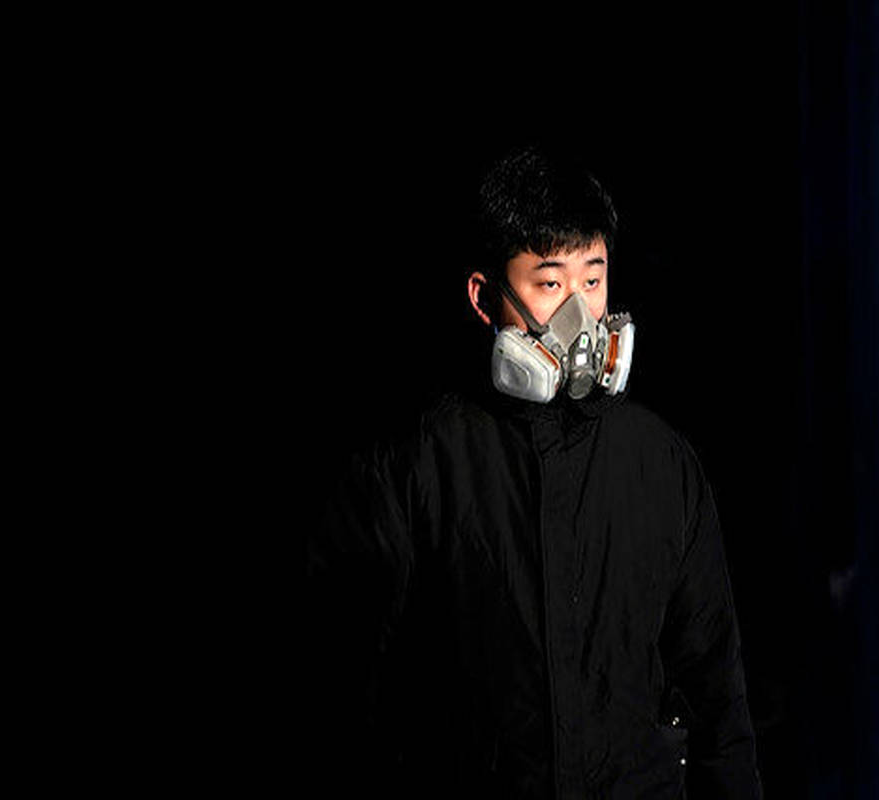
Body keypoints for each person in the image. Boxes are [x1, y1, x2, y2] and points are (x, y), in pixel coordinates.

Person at [304, 143, 763, 799]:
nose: (579, 313)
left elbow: (718, 696)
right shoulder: (415, 468)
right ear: (484, 296)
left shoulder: (661, 464)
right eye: (549, 284)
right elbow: (340, 693)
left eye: (592, 281)